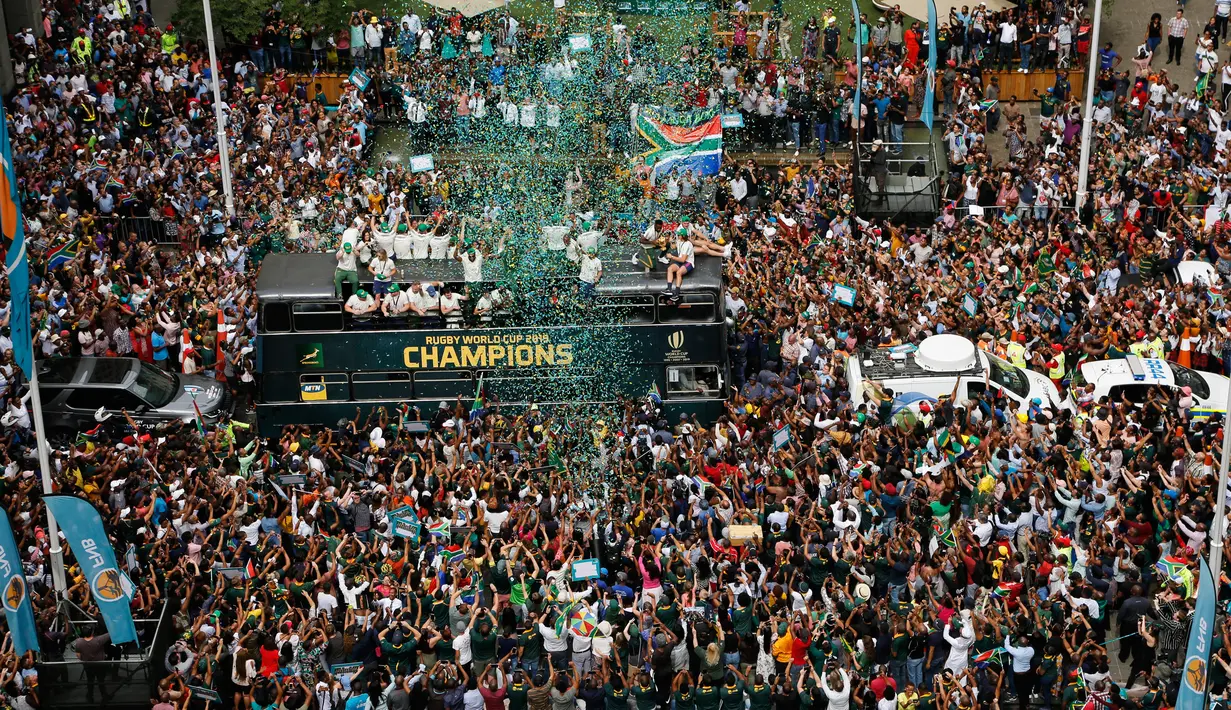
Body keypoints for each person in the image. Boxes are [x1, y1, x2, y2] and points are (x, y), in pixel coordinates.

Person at [663, 228, 696, 298]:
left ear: (682, 236)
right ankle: (669, 289)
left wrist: (671, 257)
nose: (677, 236)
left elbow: (683, 260)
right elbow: (673, 246)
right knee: (670, 269)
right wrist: (669, 241)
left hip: (688, 262)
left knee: (679, 272)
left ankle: (677, 293)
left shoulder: (688, 244)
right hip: (680, 261)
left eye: (678, 235)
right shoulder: (679, 241)